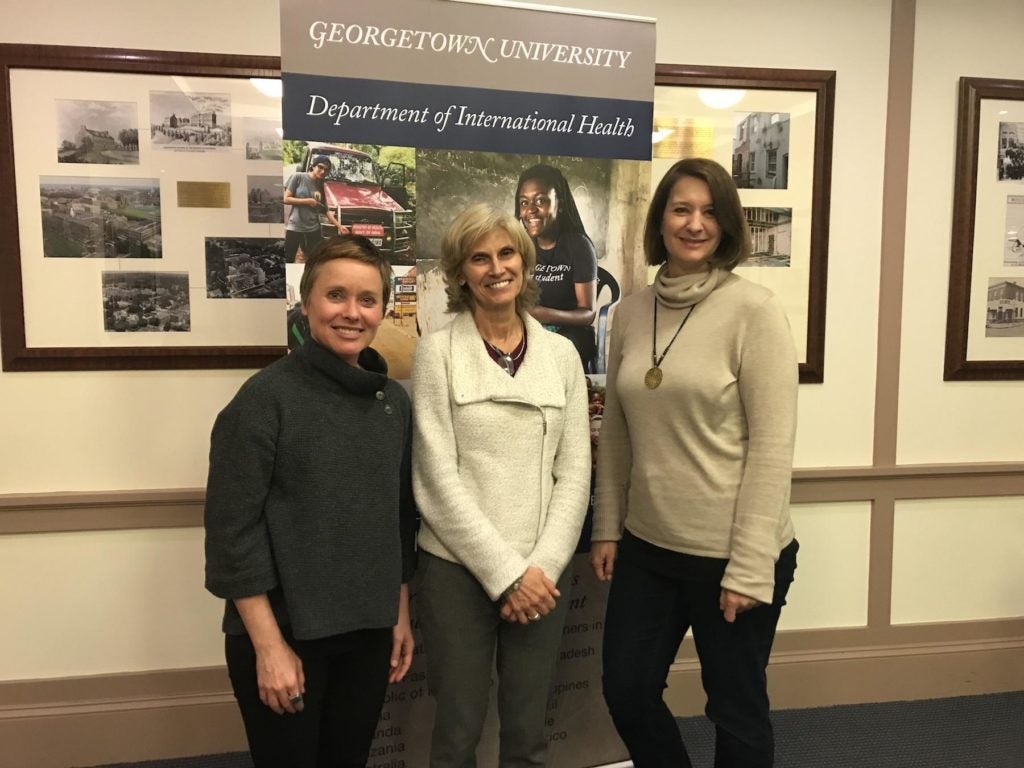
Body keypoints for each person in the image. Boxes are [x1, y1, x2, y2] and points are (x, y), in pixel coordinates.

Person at [590, 158, 799, 768]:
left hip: (730, 552)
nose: (695, 223)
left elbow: (771, 448)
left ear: (727, 225)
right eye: (681, 208)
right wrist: (608, 524)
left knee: (735, 707)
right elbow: (619, 433)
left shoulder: (753, 311)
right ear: (661, 220)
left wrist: (751, 566)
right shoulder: (629, 312)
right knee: (626, 691)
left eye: (709, 211)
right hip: (649, 546)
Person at [204, 235, 416, 768]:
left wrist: (399, 613)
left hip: (367, 633)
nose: (352, 312)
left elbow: (396, 517)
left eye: (367, 300)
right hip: (286, 635)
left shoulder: (391, 403)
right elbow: (233, 537)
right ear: (306, 302)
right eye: (336, 295)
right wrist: (270, 649)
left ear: (382, 310)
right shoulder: (263, 401)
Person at [412, 204, 591, 766]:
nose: (496, 268)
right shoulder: (436, 352)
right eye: (479, 257)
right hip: (456, 570)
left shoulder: (562, 355)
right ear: (460, 271)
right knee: (458, 728)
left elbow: (576, 474)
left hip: (543, 570)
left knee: (528, 728)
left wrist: (540, 569)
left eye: (506, 253)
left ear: (525, 261)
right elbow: (435, 479)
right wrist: (506, 575)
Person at [515, 164, 598, 369]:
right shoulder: (520, 247)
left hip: (573, 334)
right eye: (524, 202)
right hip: (532, 330)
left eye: (541, 200)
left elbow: (588, 314)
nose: (530, 210)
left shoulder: (578, 246)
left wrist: (543, 314)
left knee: (546, 355)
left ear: (559, 203)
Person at [284, 154, 346, 263]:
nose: (323, 171)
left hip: (313, 230)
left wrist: (339, 226)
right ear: (313, 166)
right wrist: (307, 201)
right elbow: (286, 199)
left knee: (314, 260)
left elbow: (325, 210)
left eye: (326, 170)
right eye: (320, 167)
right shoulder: (298, 177)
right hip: (295, 227)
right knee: (288, 260)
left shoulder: (321, 185)